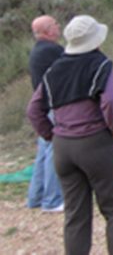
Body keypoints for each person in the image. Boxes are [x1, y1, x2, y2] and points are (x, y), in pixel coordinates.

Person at [26, 15, 113, 255]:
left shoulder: (54, 70)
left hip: (63, 147)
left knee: (75, 215)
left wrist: (51, 135)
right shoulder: (101, 64)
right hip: (95, 141)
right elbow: (110, 102)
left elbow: (33, 109)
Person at [27, 15, 65, 213]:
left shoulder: (38, 51)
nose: (59, 27)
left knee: (43, 152)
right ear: (48, 30)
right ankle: (51, 199)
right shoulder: (52, 50)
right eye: (55, 24)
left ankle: (36, 196)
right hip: (53, 107)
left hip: (42, 108)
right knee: (53, 151)